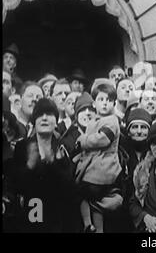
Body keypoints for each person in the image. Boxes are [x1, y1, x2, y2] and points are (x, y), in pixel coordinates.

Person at [7, 98, 76, 232]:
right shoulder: (22, 147)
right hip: (29, 218)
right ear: (34, 121)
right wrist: (30, 166)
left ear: (56, 122)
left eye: (49, 114)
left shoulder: (63, 147)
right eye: (40, 114)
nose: (44, 118)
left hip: (56, 219)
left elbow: (70, 190)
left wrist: (54, 164)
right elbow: (15, 185)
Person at [74, 82, 122, 233]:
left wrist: (83, 141)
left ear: (114, 103)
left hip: (103, 168)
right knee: (94, 200)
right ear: (94, 103)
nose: (105, 103)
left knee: (82, 193)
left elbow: (103, 139)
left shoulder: (112, 121)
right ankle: (94, 227)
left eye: (108, 100)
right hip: (94, 167)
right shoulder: (94, 121)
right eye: (101, 99)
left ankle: (89, 223)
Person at [60, 92, 95, 159]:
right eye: (82, 109)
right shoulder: (67, 142)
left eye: (91, 109)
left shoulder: (102, 136)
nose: (87, 113)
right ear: (76, 116)